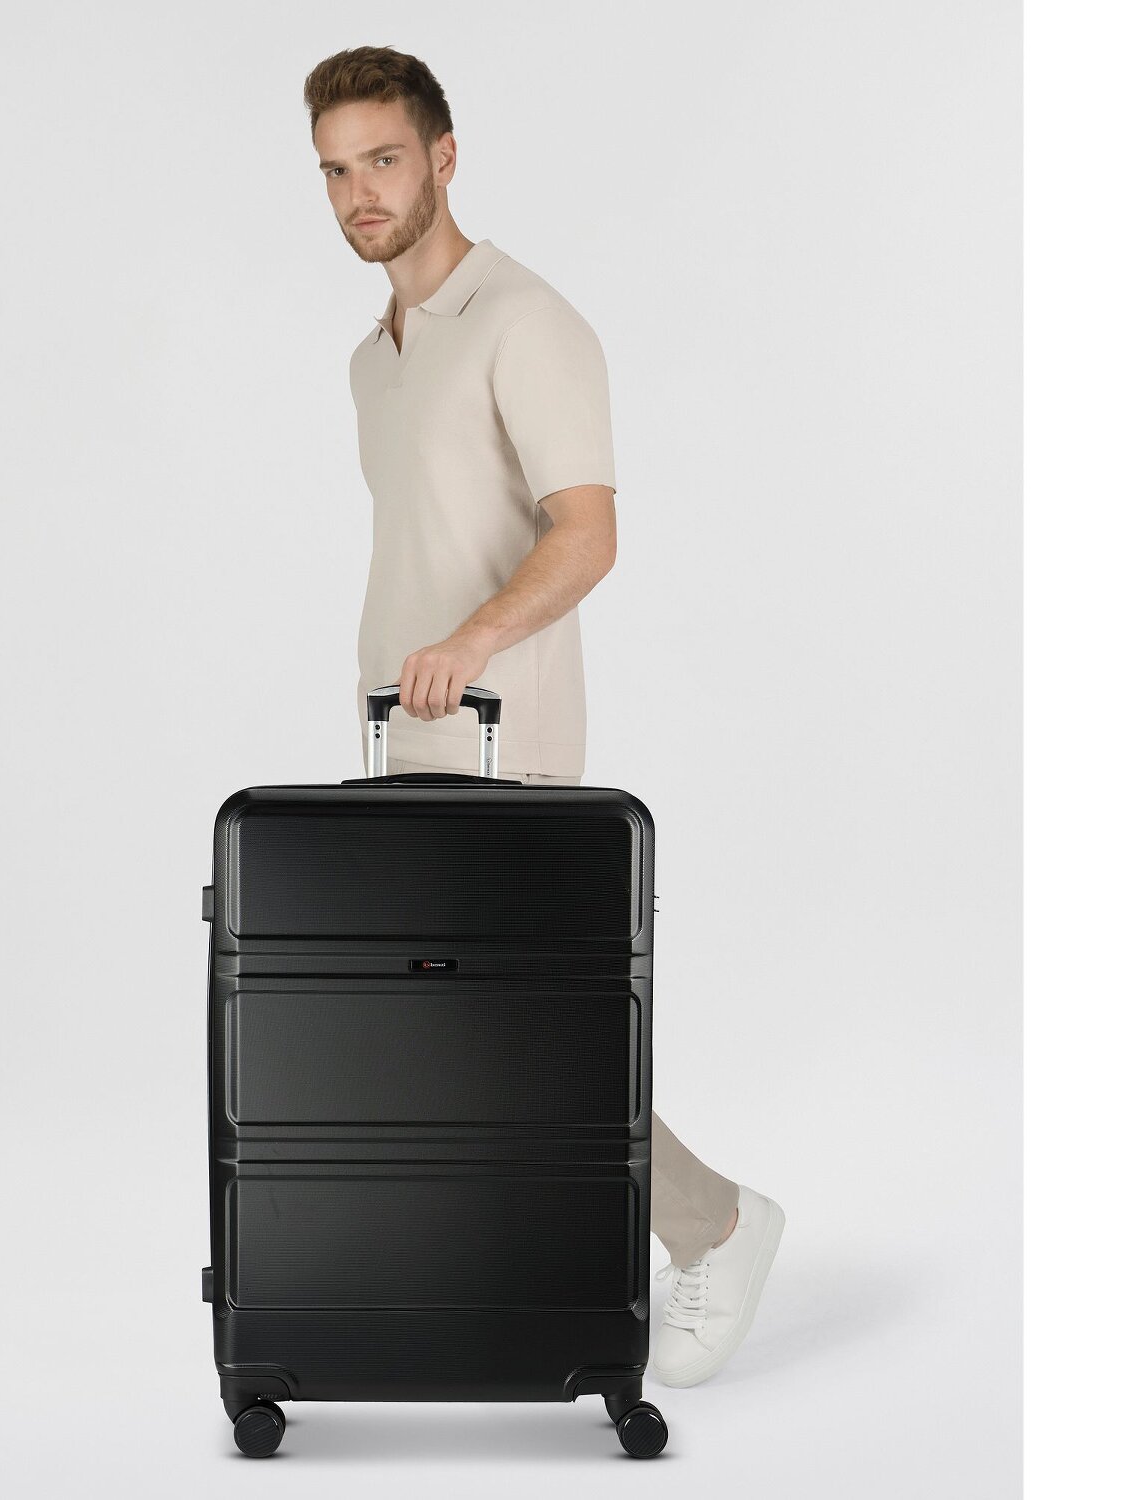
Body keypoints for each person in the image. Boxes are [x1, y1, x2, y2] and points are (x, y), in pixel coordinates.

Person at [303, 44, 784, 1389]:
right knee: (433, 1030)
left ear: (444, 157)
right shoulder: (374, 357)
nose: (359, 192)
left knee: (531, 1027)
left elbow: (586, 534)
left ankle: (718, 1226)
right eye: (335, 171)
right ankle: (526, 1255)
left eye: (383, 159)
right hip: (395, 729)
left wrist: (470, 643)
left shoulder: (527, 321)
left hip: (504, 728)